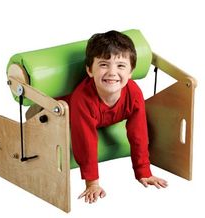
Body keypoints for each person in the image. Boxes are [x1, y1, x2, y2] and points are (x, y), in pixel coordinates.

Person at [69, 30, 168, 204]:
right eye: (103, 65)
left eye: (121, 65)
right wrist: (92, 183)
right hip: (64, 110)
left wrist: (143, 171)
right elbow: (85, 141)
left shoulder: (134, 94)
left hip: (104, 118)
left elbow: (138, 133)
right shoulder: (82, 99)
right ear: (89, 70)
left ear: (131, 72)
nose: (112, 72)